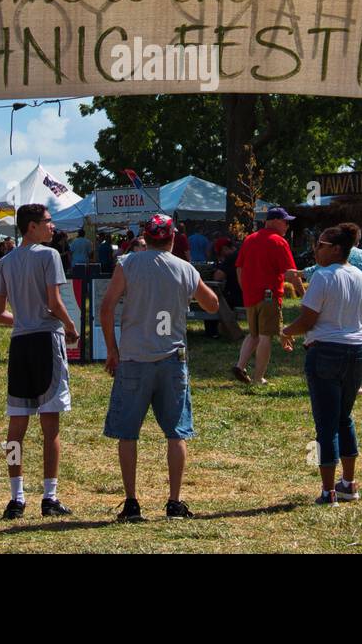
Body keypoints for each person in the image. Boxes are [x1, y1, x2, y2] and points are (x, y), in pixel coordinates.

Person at [100, 214, 219, 521]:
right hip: (171, 359)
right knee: (175, 432)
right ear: (172, 238)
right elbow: (213, 305)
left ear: (146, 236)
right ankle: (175, 502)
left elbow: (107, 306)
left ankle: (131, 502)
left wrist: (111, 349)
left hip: (134, 358)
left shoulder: (127, 264)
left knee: (128, 433)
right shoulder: (185, 269)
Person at [0, 203, 79, 519]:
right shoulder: (49, 255)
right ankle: (49, 496)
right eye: (47, 221)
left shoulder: (6, 261)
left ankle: (16, 497)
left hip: (20, 344)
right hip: (46, 341)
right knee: (50, 425)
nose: (52, 227)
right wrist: (70, 327)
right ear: (31, 226)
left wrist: (22, 318)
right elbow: (55, 301)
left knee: (16, 427)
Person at [279, 223, 362, 505]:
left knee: (326, 424)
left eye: (320, 244)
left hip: (326, 353)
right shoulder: (360, 276)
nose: (316, 249)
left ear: (335, 249)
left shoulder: (323, 276)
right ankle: (349, 484)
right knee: (344, 418)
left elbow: (307, 321)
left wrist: (285, 331)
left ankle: (328, 491)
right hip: (358, 352)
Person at [232, 207, 305, 386]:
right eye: (285, 222)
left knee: (254, 334)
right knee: (266, 336)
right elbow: (290, 274)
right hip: (269, 296)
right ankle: (258, 378)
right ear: (274, 221)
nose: (287, 226)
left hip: (250, 296)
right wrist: (305, 295)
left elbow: (239, 267)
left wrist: (245, 289)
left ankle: (240, 366)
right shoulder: (278, 242)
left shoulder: (249, 239)